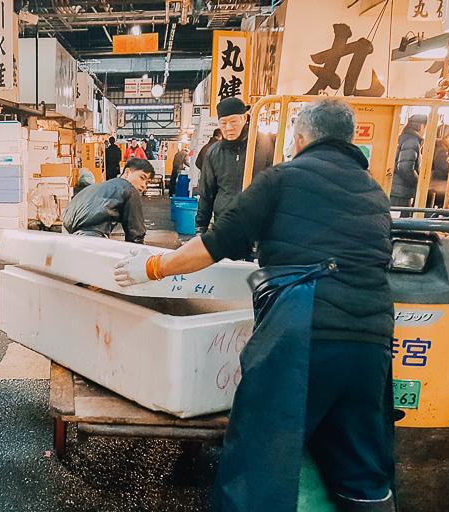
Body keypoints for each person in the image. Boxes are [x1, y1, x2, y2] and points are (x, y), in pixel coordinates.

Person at [113, 99, 395, 511]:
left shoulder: (283, 178)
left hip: (306, 326)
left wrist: (154, 267)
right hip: (373, 335)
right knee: (360, 462)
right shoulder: (374, 192)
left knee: (263, 451)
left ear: (300, 138)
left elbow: (216, 244)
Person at [195, 97, 274, 234]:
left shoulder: (265, 144)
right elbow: (206, 194)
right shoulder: (213, 153)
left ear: (244, 119)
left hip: (259, 224)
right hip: (225, 224)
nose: (228, 127)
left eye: (233, 121)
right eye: (223, 123)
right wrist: (200, 228)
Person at [62, 158, 154, 243]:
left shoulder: (94, 188)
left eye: (147, 182)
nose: (144, 185)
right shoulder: (129, 189)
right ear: (127, 173)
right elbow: (136, 234)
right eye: (142, 178)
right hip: (93, 241)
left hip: (67, 238)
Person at [391, 114, 427, 207]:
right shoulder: (412, 141)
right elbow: (405, 167)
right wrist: (417, 182)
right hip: (401, 191)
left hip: (395, 188)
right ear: (422, 126)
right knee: (400, 219)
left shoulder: (404, 137)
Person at [428, 125, 449, 208]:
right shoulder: (441, 148)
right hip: (439, 183)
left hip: (431, 183)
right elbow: (442, 166)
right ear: (444, 137)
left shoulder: (433, 145)